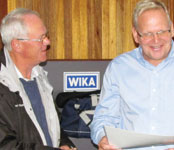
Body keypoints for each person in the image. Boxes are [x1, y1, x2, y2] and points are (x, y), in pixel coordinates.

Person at [90, 0, 174, 150]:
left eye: (161, 31)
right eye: (148, 34)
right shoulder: (119, 68)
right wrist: (103, 138)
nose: (156, 40)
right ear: (136, 35)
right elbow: (105, 117)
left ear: (172, 29)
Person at [0, 8, 76, 150]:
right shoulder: (3, 84)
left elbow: (53, 126)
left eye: (46, 36)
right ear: (17, 45)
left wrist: (64, 143)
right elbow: (5, 145)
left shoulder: (39, 76)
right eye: (40, 38)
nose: (47, 42)